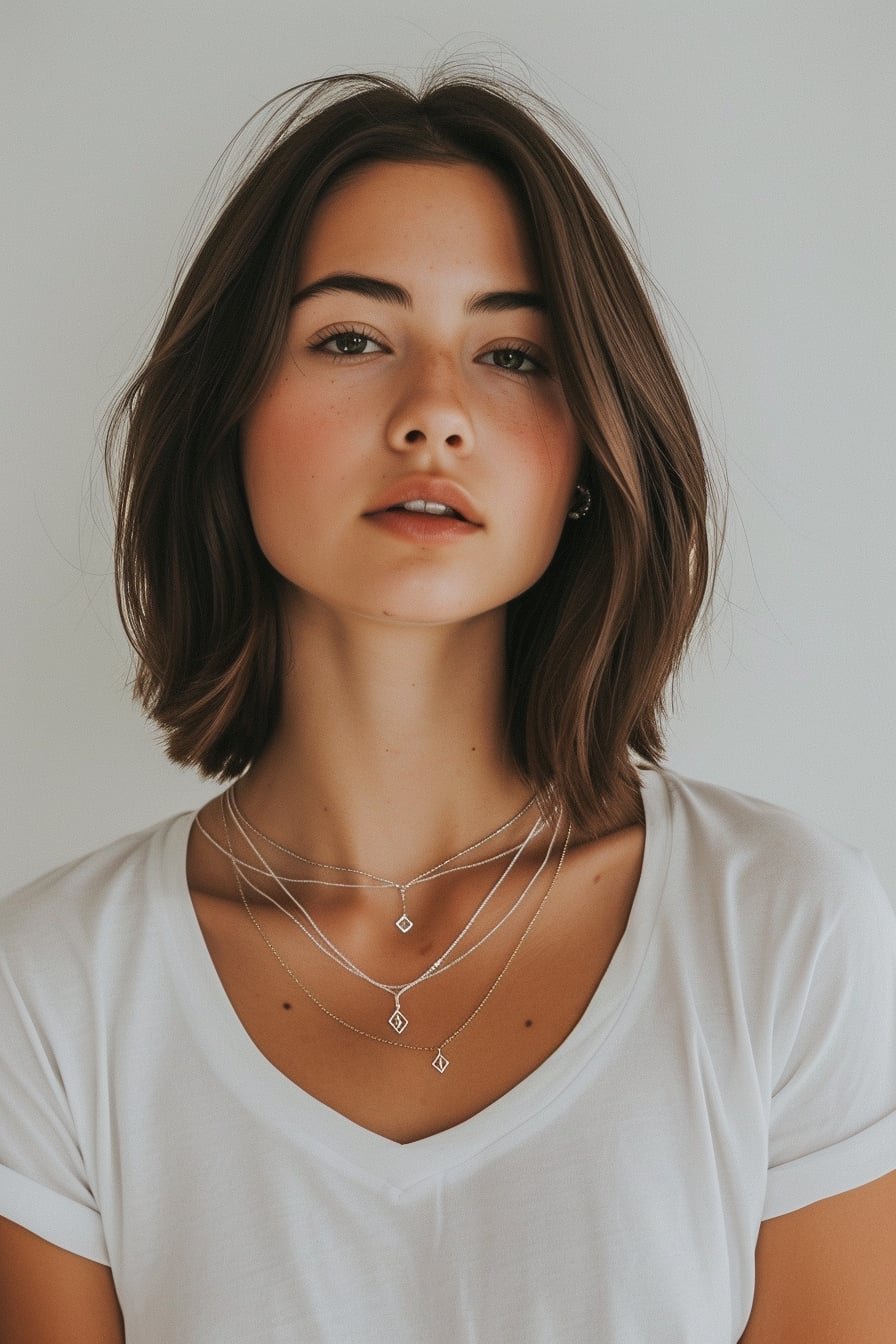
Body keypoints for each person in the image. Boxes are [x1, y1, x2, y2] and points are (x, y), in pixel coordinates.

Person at [1, 68, 895, 1344]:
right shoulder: (50, 994)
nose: (432, 415)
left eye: (511, 354)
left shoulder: (780, 933)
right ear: (228, 417)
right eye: (351, 339)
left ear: (588, 452)